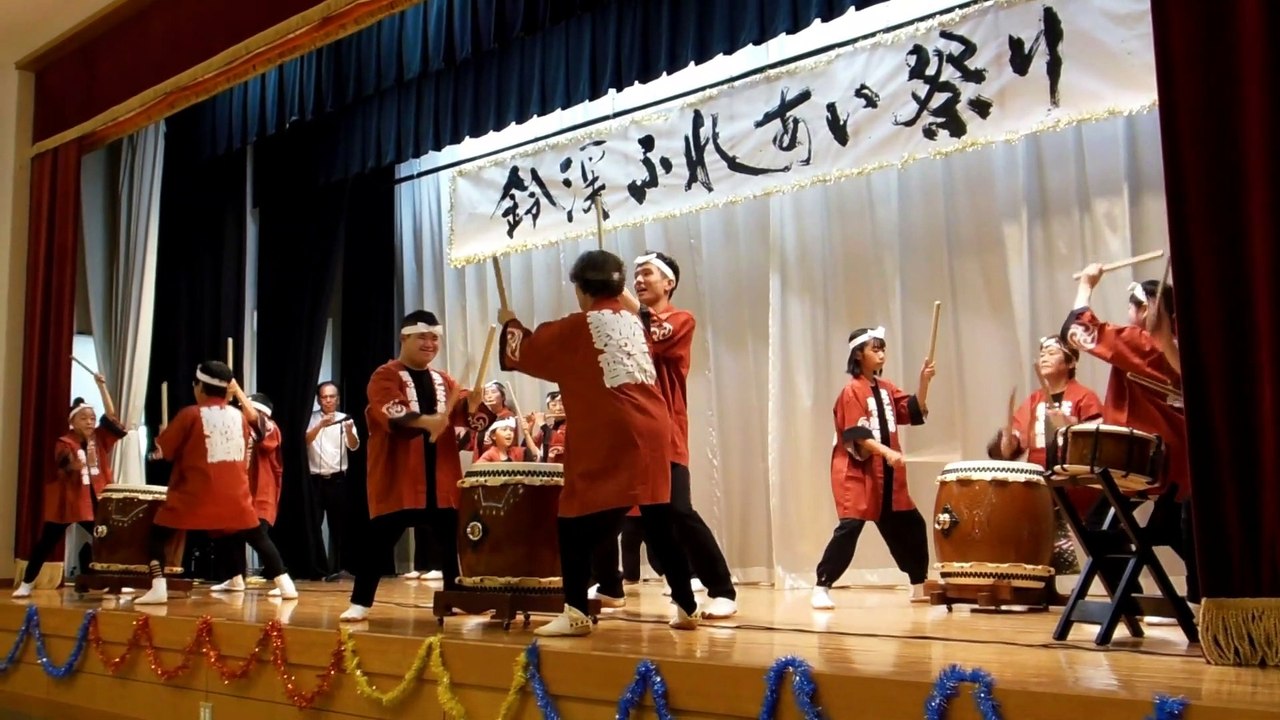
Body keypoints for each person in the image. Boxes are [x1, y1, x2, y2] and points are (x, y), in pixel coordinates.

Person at [499, 249, 700, 636]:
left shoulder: (579, 327)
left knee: (573, 520)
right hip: (654, 428)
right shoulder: (634, 322)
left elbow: (524, 351)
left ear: (579, 288)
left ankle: (575, 612)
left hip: (614, 430)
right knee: (659, 519)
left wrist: (510, 324)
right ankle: (687, 606)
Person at [600, 250, 735, 619]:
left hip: (665, 431)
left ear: (669, 282)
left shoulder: (680, 320)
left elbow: (656, 337)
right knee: (611, 513)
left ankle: (721, 588)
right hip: (629, 434)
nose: (639, 281)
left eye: (646, 274)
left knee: (678, 512)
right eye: (636, 276)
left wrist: (624, 299)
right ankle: (611, 587)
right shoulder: (627, 323)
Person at [340, 311, 495, 622]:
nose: (429, 343)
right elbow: (390, 411)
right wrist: (428, 421)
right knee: (379, 541)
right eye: (422, 337)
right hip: (400, 476)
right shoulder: (385, 375)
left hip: (440, 477)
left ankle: (456, 595)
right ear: (404, 338)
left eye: (434, 338)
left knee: (452, 541)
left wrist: (473, 405)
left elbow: (470, 413)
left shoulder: (444, 380)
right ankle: (361, 602)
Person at [1064, 266, 1196, 622]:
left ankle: (1129, 599)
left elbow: (1078, 331)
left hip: (1148, 460)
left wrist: (1086, 285)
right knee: (1177, 528)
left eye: (1131, 306)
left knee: (1096, 522)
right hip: (1182, 462)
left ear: (1146, 311)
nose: (1128, 313)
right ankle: (1202, 596)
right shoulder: (1181, 348)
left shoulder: (1141, 342)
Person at [137, 361, 297, 605]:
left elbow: (165, 452)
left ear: (199, 387)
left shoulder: (191, 414)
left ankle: (158, 587)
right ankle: (284, 584)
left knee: (157, 536)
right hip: (236, 494)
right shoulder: (238, 418)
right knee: (256, 538)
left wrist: (162, 438)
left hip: (194, 492)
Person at [812, 326, 936, 610]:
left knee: (910, 524)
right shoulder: (851, 391)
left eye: (883, 349)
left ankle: (918, 584)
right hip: (858, 471)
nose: (881, 354)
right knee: (851, 527)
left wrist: (924, 380)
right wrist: (887, 452)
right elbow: (856, 435)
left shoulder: (886, 388)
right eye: (875, 349)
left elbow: (911, 410)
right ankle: (822, 585)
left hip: (888, 473)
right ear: (858, 355)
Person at [987, 336, 1104, 576]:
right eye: (1042, 353)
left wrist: (1070, 424)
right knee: (1031, 529)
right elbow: (1014, 446)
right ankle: (1040, 585)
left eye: (1052, 352)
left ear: (1070, 363)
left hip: (1077, 482)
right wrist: (1008, 443)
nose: (1044, 357)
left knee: (1099, 537)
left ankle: (1119, 591)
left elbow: (1098, 439)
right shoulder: (1033, 400)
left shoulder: (1085, 397)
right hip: (1041, 481)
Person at [12, 376, 126, 598]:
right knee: (46, 542)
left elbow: (112, 417)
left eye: (92, 418)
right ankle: (27, 582)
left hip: (94, 500)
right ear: (72, 422)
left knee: (107, 538)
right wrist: (77, 463)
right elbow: (64, 463)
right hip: (68, 501)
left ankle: (112, 582)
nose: (90, 422)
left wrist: (102, 386)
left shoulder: (100, 439)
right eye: (84, 418)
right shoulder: (65, 442)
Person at [210, 385, 284, 594]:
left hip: (261, 491)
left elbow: (255, 422)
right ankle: (235, 578)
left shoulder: (270, 427)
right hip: (241, 493)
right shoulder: (241, 430)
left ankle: (282, 579)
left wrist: (238, 391)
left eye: (245, 408)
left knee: (256, 535)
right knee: (227, 533)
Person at [306, 381, 360, 580]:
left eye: (331, 397)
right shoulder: (310, 419)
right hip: (315, 481)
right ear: (319, 399)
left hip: (338, 480)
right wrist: (320, 425)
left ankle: (340, 568)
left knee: (340, 527)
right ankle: (317, 569)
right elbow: (304, 441)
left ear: (337, 399)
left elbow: (354, 446)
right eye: (324, 397)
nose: (327, 400)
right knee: (314, 525)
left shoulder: (345, 419)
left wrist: (348, 431)